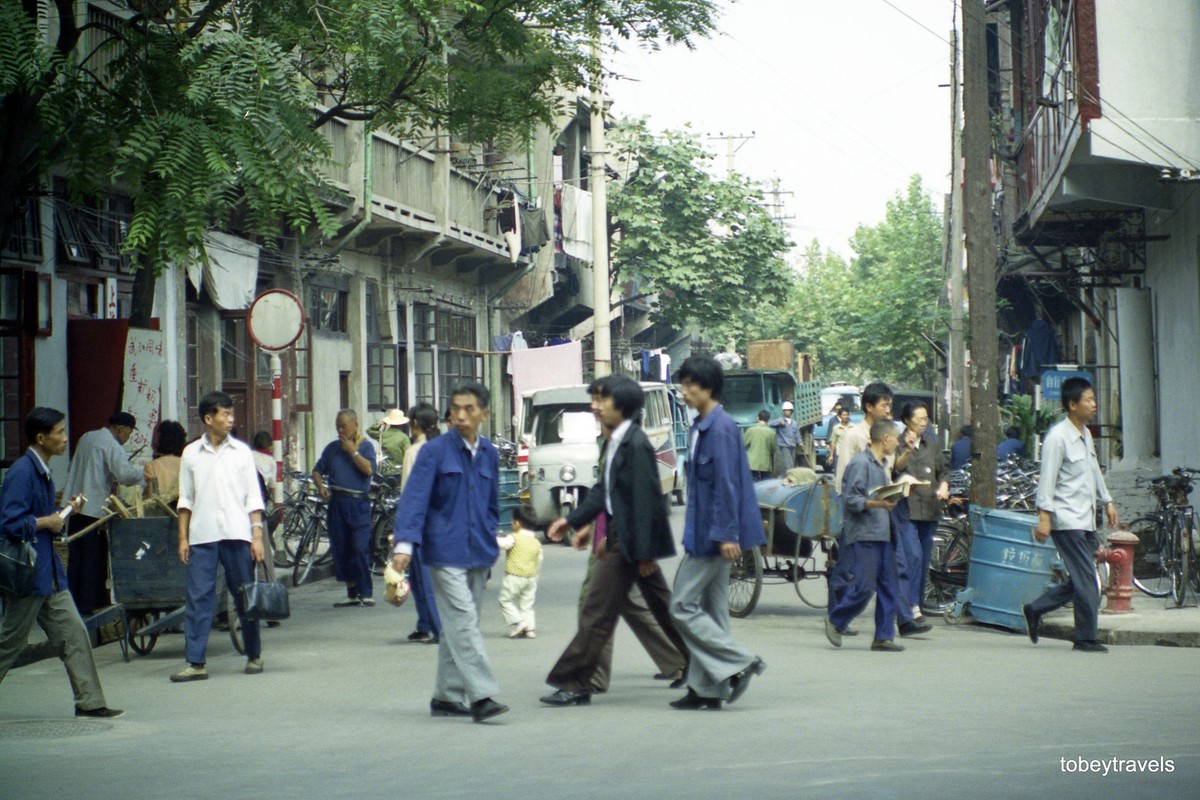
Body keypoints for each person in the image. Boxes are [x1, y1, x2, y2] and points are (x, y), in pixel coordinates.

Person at [540, 376, 688, 708]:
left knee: (596, 612)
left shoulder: (635, 444)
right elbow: (604, 493)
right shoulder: (617, 441)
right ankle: (710, 664)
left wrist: (646, 552)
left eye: (602, 401)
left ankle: (575, 682)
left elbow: (646, 500)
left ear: (621, 405)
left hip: (630, 544)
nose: (596, 406)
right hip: (623, 538)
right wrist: (573, 519)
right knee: (665, 610)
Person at [392, 382, 508, 723]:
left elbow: (491, 505)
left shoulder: (489, 453)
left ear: (484, 414)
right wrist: (404, 545)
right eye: (455, 408)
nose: (460, 415)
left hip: (478, 551)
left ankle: (445, 695)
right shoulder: (434, 452)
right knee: (463, 622)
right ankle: (482, 695)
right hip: (443, 551)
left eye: (468, 409)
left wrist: (491, 541)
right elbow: (414, 500)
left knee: (457, 627)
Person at [0, 408, 123, 718]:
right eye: (59, 432)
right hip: (27, 577)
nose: (65, 438)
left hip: (48, 575)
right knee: (8, 646)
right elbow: (9, 523)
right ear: (41, 438)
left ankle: (90, 703)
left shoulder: (41, 470)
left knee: (75, 635)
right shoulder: (22, 472)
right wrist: (48, 521)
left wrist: (65, 511)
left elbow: (44, 520)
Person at [667, 356, 766, 710]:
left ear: (708, 386)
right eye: (683, 383)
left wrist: (727, 534)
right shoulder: (699, 426)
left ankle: (739, 661)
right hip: (705, 530)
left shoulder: (721, 428)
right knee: (713, 612)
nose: (685, 390)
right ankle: (707, 689)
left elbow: (727, 485)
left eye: (691, 384)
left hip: (714, 536)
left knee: (680, 606)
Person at [171, 391, 266, 682]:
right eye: (224, 414)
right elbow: (185, 499)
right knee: (199, 598)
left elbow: (253, 497)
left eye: (231, 414)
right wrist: (183, 538)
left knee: (244, 596)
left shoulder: (241, 453)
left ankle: (253, 654)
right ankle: (196, 662)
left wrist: (257, 535)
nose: (230, 419)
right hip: (202, 536)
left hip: (238, 534)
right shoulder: (190, 454)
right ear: (208, 419)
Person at [1023, 377, 1118, 653]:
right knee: (1088, 578)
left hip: (1085, 518)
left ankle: (1035, 609)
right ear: (1072, 405)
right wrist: (1044, 517)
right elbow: (1047, 480)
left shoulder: (1085, 434)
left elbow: (1094, 471)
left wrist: (1107, 502)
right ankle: (1085, 637)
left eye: (1093, 399)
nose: (1094, 404)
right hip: (1066, 520)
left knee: (1079, 578)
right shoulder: (1057, 438)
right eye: (1088, 400)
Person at [825, 419, 906, 652]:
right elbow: (851, 499)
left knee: (890, 586)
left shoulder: (880, 465)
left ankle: (883, 636)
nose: (897, 444)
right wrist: (878, 504)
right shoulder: (861, 463)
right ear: (886, 439)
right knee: (865, 587)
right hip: (866, 533)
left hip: (884, 532)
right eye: (896, 439)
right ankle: (836, 619)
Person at [62, 411, 146, 616]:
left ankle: (72, 604)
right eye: (128, 433)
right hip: (94, 509)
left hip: (76, 507)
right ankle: (90, 603)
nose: (127, 438)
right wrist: (144, 472)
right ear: (121, 429)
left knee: (76, 558)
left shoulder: (87, 437)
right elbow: (125, 474)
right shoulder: (111, 444)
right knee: (93, 558)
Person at [892, 402, 950, 623]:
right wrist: (907, 450)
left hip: (930, 509)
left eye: (926, 419)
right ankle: (910, 605)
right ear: (907, 420)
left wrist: (944, 485)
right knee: (913, 555)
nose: (924, 423)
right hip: (906, 509)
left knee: (924, 559)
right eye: (920, 419)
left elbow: (944, 469)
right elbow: (895, 468)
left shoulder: (932, 445)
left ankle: (916, 603)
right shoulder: (897, 444)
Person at [313, 410, 377, 607]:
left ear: (355, 425)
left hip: (358, 503)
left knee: (359, 547)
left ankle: (365, 591)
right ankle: (351, 592)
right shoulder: (332, 448)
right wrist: (321, 486)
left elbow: (368, 470)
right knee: (341, 548)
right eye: (338, 427)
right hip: (337, 502)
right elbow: (317, 470)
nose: (340, 430)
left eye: (344, 426)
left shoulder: (366, 447)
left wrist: (352, 451)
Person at [400, 403, 442, 644]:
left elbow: (408, 494)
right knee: (427, 578)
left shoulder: (415, 452)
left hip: (420, 523)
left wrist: (402, 531)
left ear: (415, 423)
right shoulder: (444, 448)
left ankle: (434, 626)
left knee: (421, 579)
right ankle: (426, 624)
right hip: (441, 521)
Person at [496, 505, 543, 639]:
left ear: (517, 523)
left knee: (505, 600)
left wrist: (492, 539)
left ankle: (518, 622)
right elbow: (539, 560)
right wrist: (535, 576)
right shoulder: (536, 543)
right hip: (531, 578)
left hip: (514, 576)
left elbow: (503, 544)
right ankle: (530, 629)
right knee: (527, 605)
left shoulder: (514, 538)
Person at [143, 420, 186, 500]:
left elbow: (151, 498)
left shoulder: (152, 466)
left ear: (159, 441)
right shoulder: (188, 464)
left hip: (161, 510)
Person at [368, 408, 411, 478]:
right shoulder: (404, 437)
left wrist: (380, 424)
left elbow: (369, 431)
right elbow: (408, 455)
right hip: (399, 472)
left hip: (384, 472)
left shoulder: (382, 435)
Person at [743, 409, 776, 481]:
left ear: (758, 418)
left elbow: (744, 444)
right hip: (765, 463)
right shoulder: (771, 432)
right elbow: (773, 449)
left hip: (752, 463)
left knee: (753, 485)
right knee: (766, 484)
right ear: (768, 419)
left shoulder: (750, 430)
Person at [770, 400, 802, 474]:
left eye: (789, 410)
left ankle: (785, 476)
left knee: (791, 463)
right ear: (783, 411)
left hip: (793, 445)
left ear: (791, 411)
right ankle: (790, 478)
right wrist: (778, 422)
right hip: (784, 446)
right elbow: (770, 424)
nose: (787, 412)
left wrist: (800, 442)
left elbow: (797, 433)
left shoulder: (794, 423)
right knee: (789, 464)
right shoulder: (781, 421)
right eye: (786, 410)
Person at [826, 407, 852, 472]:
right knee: (839, 473)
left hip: (851, 453)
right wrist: (831, 455)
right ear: (840, 416)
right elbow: (833, 442)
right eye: (844, 415)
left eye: (847, 415)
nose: (845, 417)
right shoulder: (836, 428)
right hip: (839, 454)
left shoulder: (853, 427)